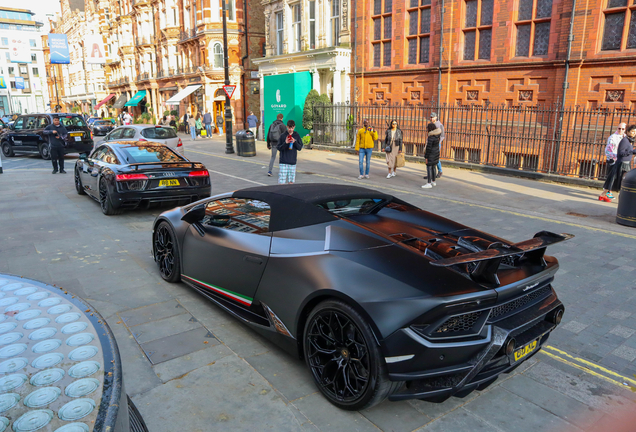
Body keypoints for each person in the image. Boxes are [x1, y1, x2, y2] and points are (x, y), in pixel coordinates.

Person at [601, 124, 636, 201]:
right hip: (620, 163)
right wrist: (632, 151)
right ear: (628, 132)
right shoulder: (623, 140)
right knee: (622, 181)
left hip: (625, 163)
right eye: (632, 131)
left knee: (615, 180)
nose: (634, 133)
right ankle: (622, 200)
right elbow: (620, 152)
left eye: (635, 132)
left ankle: (603, 194)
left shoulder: (628, 140)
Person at [599, 123, 626, 201]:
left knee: (617, 178)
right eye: (619, 128)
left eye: (622, 129)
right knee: (611, 178)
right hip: (613, 160)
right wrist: (616, 156)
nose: (620, 130)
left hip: (620, 161)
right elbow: (607, 151)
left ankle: (604, 194)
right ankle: (606, 194)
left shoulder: (625, 138)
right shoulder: (612, 137)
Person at [276, 119, 303, 184]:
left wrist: (295, 142)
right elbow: (279, 147)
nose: (291, 129)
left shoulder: (296, 135)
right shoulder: (283, 136)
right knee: (282, 181)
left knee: (291, 182)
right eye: (289, 128)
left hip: (292, 161)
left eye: (292, 128)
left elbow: (299, 147)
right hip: (283, 161)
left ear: (294, 127)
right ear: (287, 127)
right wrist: (285, 143)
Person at [422, 122, 442, 189]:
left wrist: (426, 157)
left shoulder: (430, 137)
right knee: (433, 167)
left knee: (429, 168)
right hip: (435, 154)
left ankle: (429, 183)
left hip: (431, 155)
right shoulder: (437, 136)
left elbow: (428, 148)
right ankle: (433, 181)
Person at [430, 112, 445, 178]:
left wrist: (438, 142)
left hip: (436, 143)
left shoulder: (440, 125)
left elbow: (442, 136)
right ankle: (430, 172)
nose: (431, 118)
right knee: (430, 157)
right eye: (431, 117)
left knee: (436, 157)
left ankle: (440, 171)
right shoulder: (431, 124)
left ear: (436, 117)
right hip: (431, 143)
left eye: (433, 117)